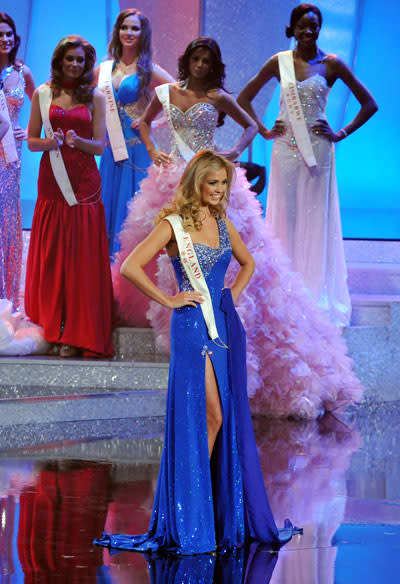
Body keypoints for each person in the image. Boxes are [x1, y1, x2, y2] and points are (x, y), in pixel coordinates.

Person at [114, 36, 362, 419]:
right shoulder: (166, 92)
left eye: (206, 60)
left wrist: (232, 153)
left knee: (231, 253)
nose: (200, 65)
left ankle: (218, 314)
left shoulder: (217, 97)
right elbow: (143, 124)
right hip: (170, 178)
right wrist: (152, 150)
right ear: (187, 60)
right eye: (195, 58)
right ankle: (173, 315)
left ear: (213, 65)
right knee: (161, 249)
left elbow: (248, 126)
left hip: (208, 179)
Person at [95, 150, 301, 554]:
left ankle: (212, 512)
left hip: (223, 325)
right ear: (196, 184)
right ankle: (192, 511)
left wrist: (231, 297)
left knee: (225, 416)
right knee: (211, 414)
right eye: (213, 184)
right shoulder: (173, 225)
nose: (219, 191)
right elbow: (130, 268)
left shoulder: (222, 222)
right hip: (191, 326)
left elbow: (247, 264)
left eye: (224, 184)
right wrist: (169, 300)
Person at [237, 3, 378, 327]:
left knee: (315, 219)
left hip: (318, 150)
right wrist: (264, 129)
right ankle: (283, 291)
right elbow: (243, 98)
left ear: (320, 27)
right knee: (287, 216)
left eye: (313, 25)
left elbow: (369, 103)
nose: (308, 31)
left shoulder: (332, 64)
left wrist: (340, 133)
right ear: (293, 28)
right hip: (285, 148)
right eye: (302, 25)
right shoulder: (279, 61)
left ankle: (313, 292)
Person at [25, 35, 114, 358]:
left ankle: (78, 332)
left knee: (80, 258)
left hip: (85, 183)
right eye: (70, 59)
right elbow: (32, 141)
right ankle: (53, 327)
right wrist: (51, 143)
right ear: (59, 60)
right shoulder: (42, 93)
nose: (75, 65)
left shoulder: (96, 98)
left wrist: (78, 142)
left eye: (80, 60)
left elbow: (100, 146)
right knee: (53, 254)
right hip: (52, 181)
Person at [94, 8, 174, 255]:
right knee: (107, 204)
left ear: (143, 34)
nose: (129, 33)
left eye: (134, 28)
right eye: (124, 27)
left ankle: (131, 271)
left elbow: (178, 97)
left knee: (133, 210)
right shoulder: (104, 69)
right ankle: (105, 270)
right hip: (110, 149)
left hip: (137, 148)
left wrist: (152, 122)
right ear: (117, 32)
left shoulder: (149, 69)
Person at [0, 12, 35, 310]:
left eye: (9, 35)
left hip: (10, 156)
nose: (5, 39)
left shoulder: (22, 73)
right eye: (0, 34)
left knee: (7, 219)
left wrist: (29, 128)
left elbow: (42, 101)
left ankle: (6, 297)